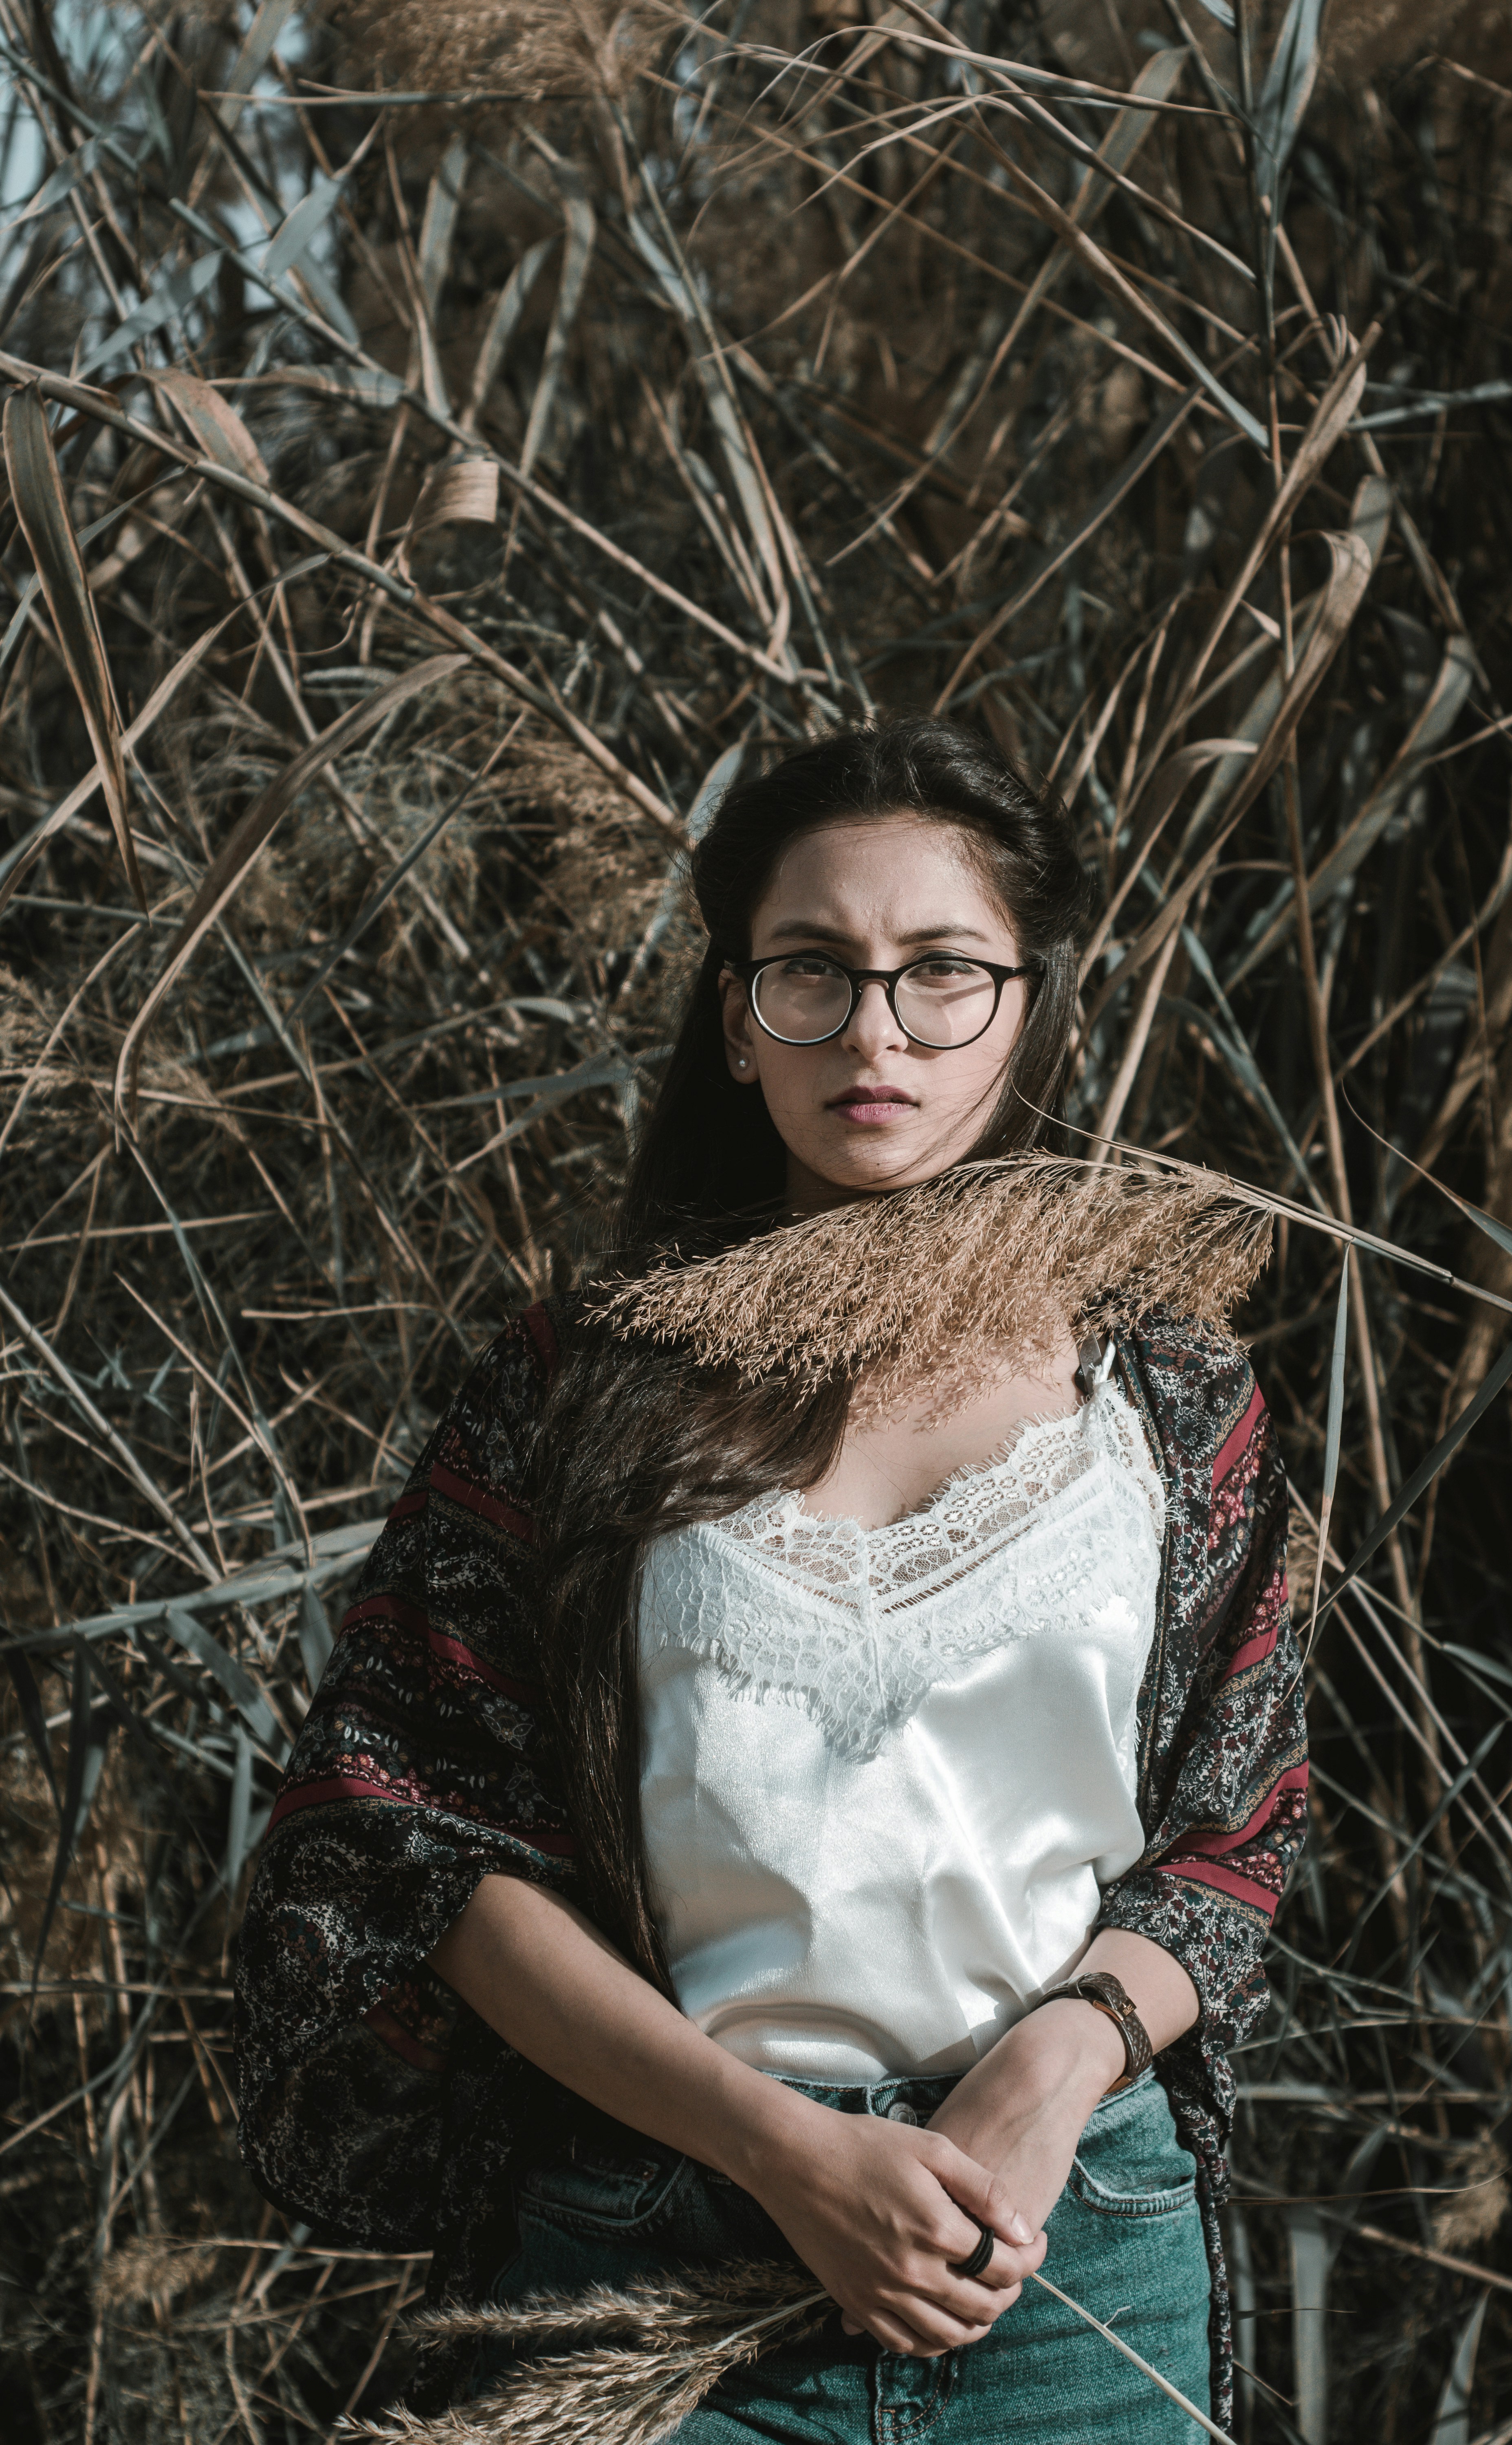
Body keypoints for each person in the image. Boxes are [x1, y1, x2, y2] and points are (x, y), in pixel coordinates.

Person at [235, 718, 1305, 2441]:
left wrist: (1058, 2063)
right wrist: (778, 2149)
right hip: (656, 2233)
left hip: (1060, 2251)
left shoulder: (1167, 1399)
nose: (874, 1033)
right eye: (811, 971)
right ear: (735, 1017)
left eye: (940, 974)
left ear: (1026, 1007)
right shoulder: (574, 1380)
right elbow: (398, 1823)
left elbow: (1237, 1832)